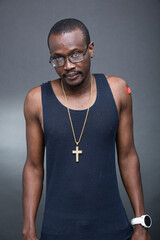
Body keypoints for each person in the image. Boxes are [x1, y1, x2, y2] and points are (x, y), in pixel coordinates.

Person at [22, 18, 151, 240]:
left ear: (90, 50)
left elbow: (128, 156)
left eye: (75, 54)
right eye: (58, 58)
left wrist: (141, 223)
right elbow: (34, 168)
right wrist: (28, 230)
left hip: (113, 228)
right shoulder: (36, 100)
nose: (68, 65)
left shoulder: (118, 90)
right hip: (57, 230)